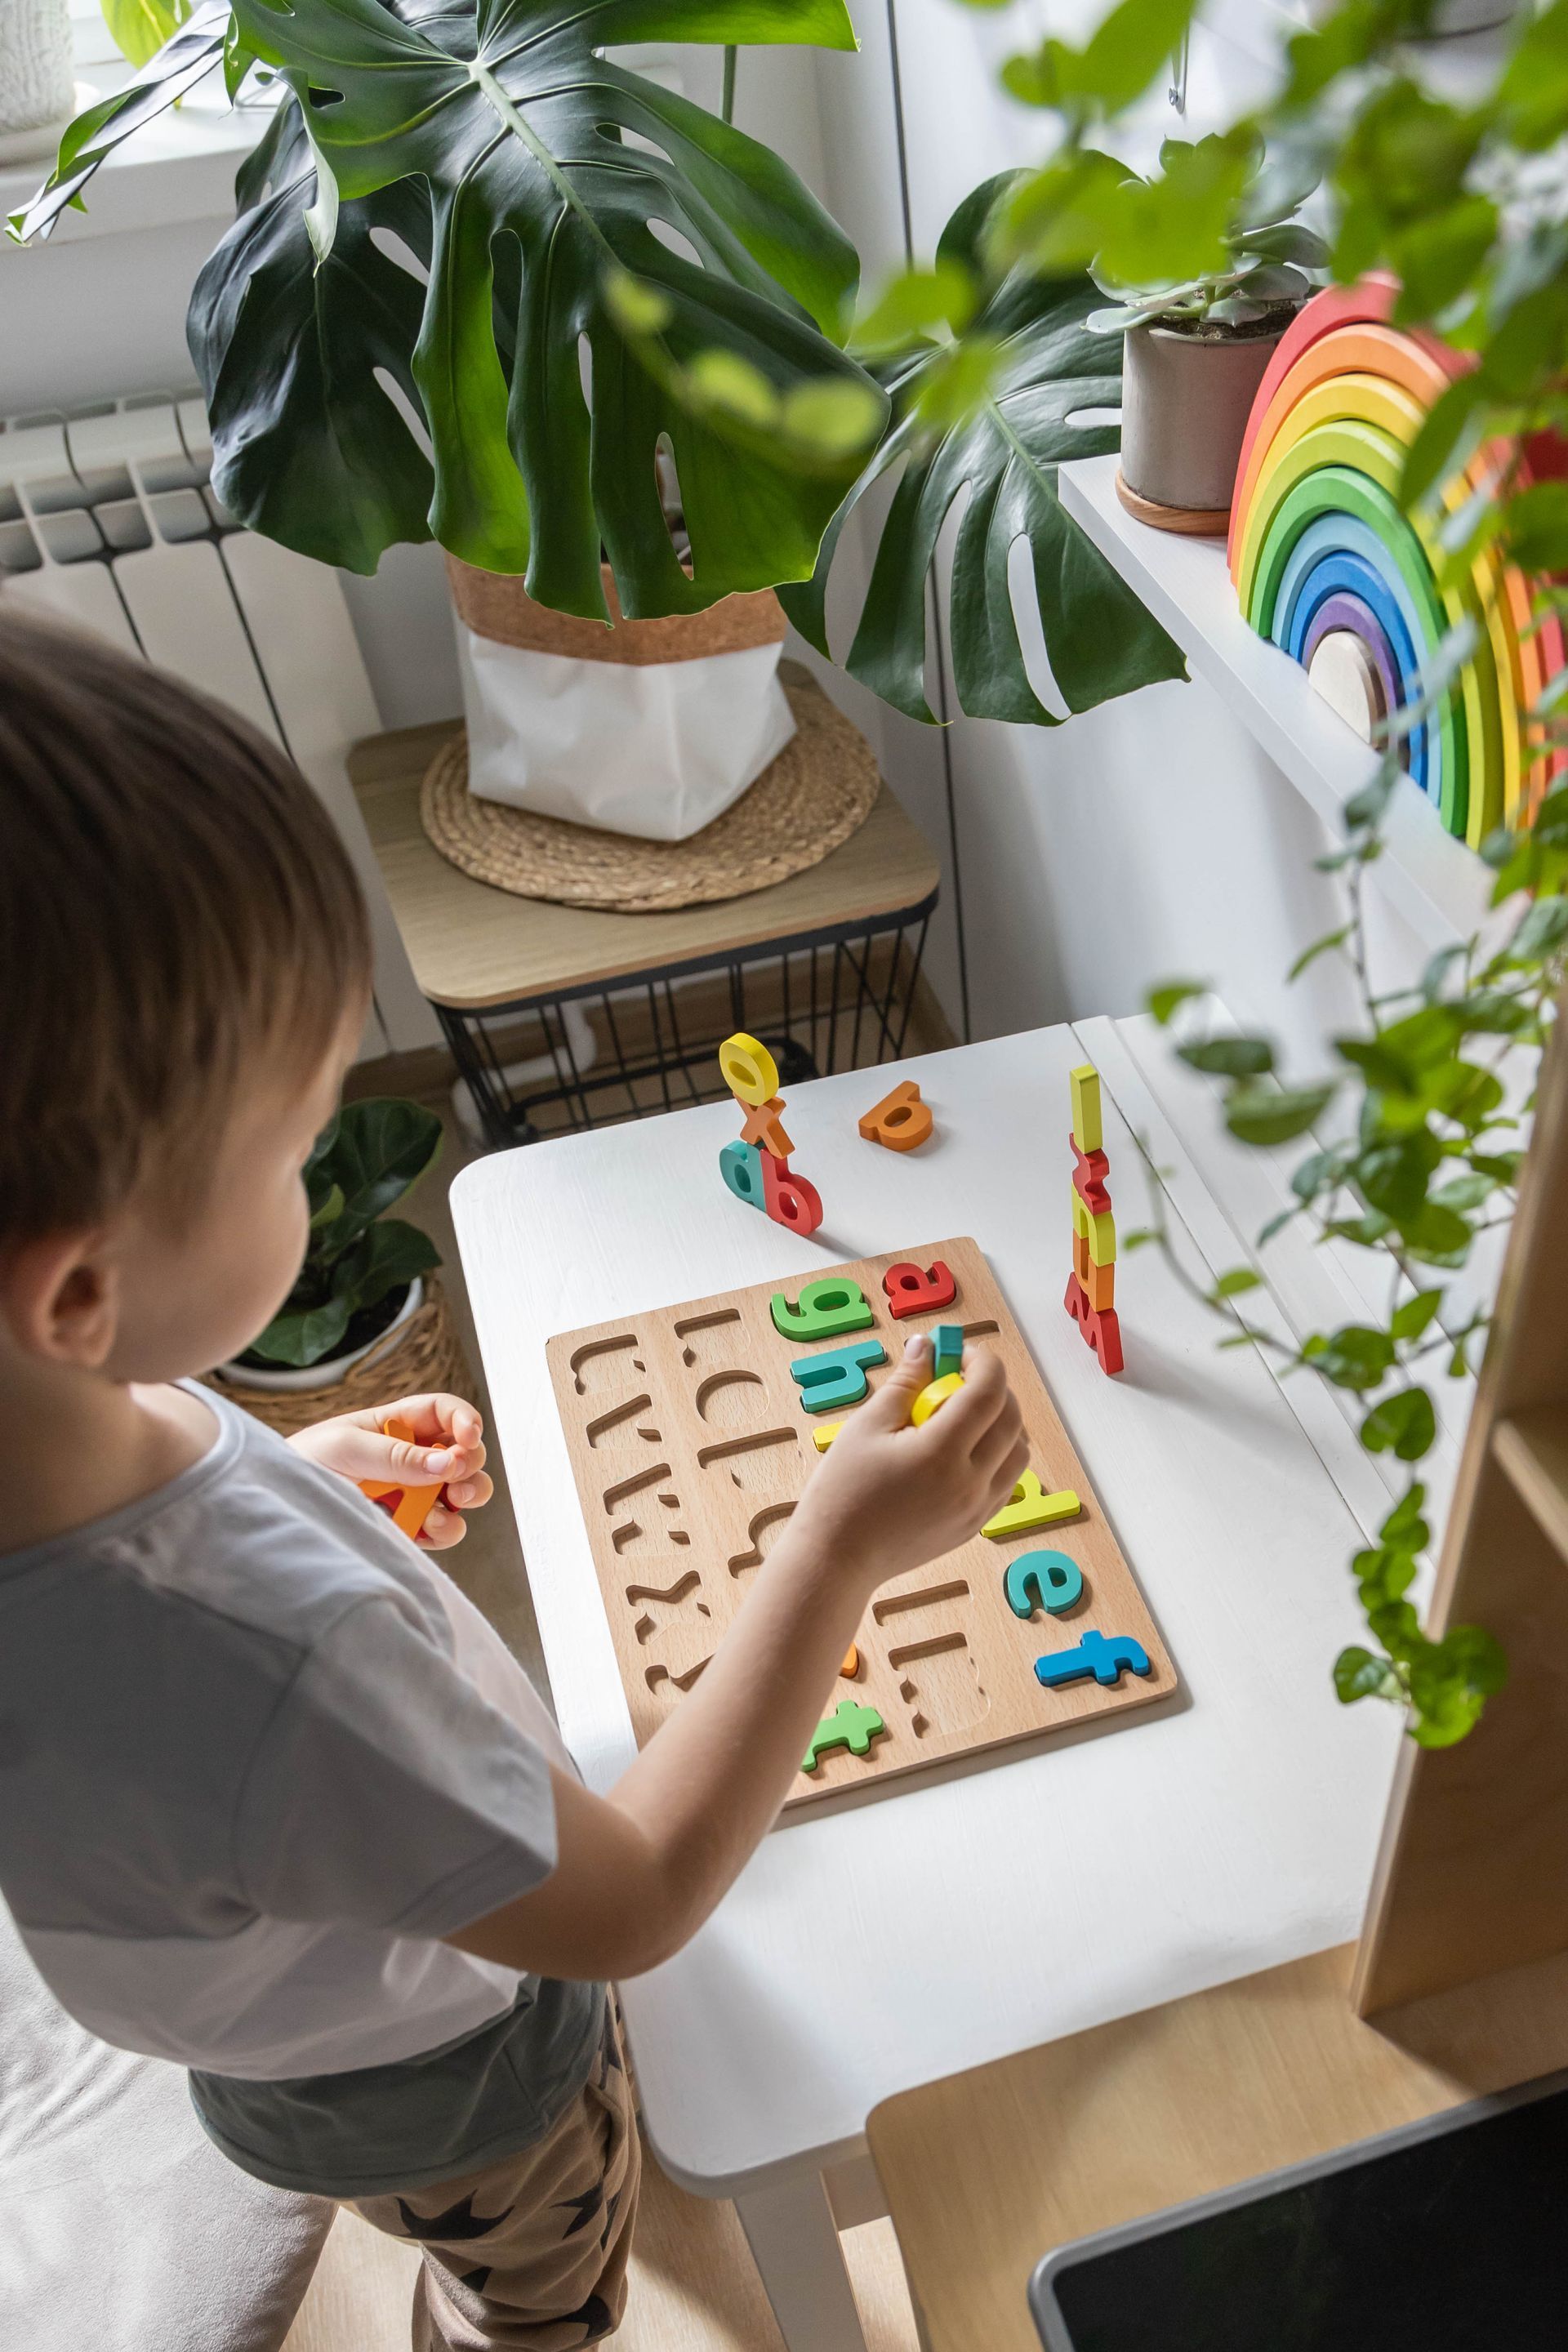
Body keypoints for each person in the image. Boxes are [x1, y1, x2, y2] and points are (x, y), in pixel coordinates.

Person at [0, 612, 1027, 2352]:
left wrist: (288, 1474)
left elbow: (129, 1629)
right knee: (544, 2286)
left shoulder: (74, 1427)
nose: (325, 1183)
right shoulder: (279, 1667)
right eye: (295, 1148)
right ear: (79, 1293)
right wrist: (842, 1547)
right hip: (458, 2076)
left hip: (245, 2024)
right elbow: (627, 1902)